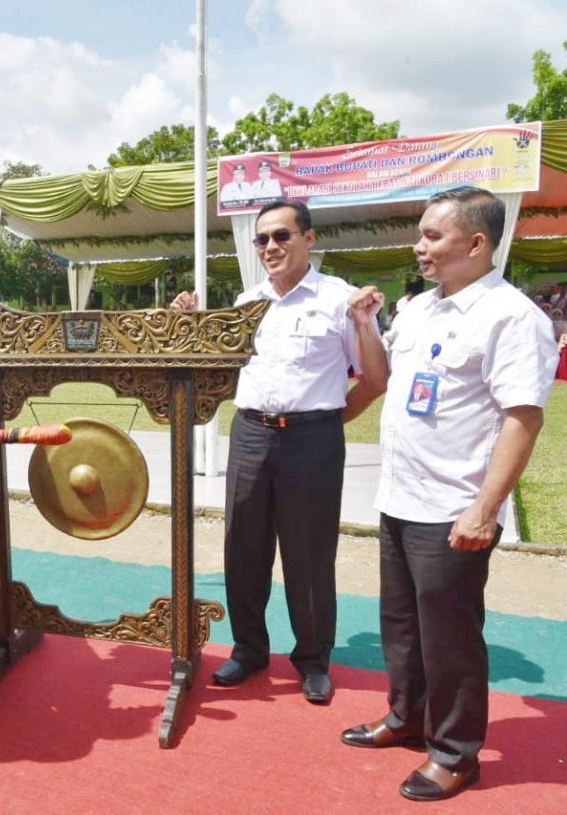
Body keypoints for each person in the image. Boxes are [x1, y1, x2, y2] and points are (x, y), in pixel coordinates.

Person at [341, 187, 557, 801]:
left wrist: (485, 509)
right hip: (400, 497)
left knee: (451, 637)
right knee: (403, 626)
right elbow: (385, 378)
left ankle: (456, 753)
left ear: (477, 243)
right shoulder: (419, 309)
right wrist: (364, 324)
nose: (420, 245)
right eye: (422, 233)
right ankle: (407, 716)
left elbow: (523, 418)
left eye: (433, 235)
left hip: (454, 506)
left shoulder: (513, 318)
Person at [171, 199, 387, 705]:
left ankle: (313, 660)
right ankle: (249, 649)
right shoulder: (248, 303)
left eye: (282, 236)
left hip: (312, 438)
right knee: (243, 548)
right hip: (250, 433)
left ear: (309, 239)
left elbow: (376, 378)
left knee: (309, 554)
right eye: (262, 239)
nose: (271, 247)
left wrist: (329, 422)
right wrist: (190, 322)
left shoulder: (342, 300)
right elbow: (209, 371)